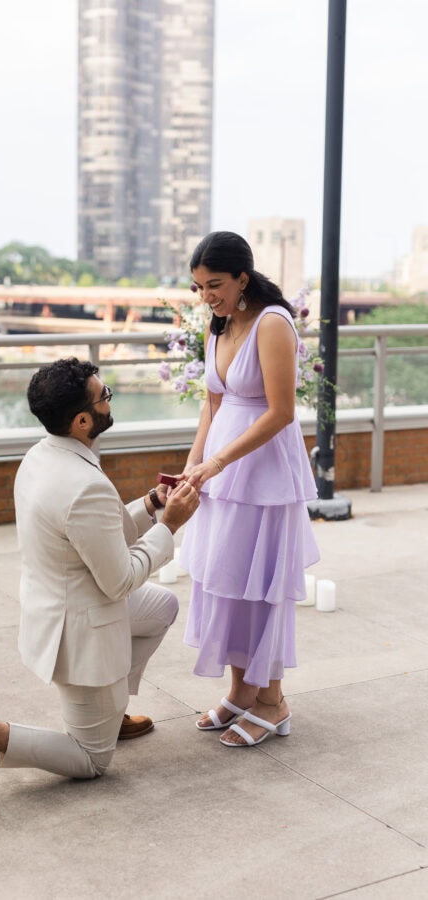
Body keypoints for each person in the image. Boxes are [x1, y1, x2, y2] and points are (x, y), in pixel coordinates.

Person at [0, 357, 199, 804]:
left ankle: (113, 711)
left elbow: (95, 535)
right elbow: (120, 580)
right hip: (81, 632)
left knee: (163, 607)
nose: (109, 399)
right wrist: (170, 525)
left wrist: (152, 504)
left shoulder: (41, 456)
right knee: (91, 759)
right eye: (104, 395)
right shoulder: (84, 484)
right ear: (82, 420)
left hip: (62, 603)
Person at [178, 231, 320, 747]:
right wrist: (192, 465)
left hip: (262, 475)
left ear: (242, 277)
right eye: (199, 287)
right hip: (221, 474)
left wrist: (216, 461)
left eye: (214, 285)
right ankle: (241, 691)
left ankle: (272, 701)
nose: (206, 296)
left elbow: (281, 412)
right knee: (227, 579)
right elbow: (212, 404)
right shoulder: (218, 324)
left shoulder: (272, 322)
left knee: (261, 587)